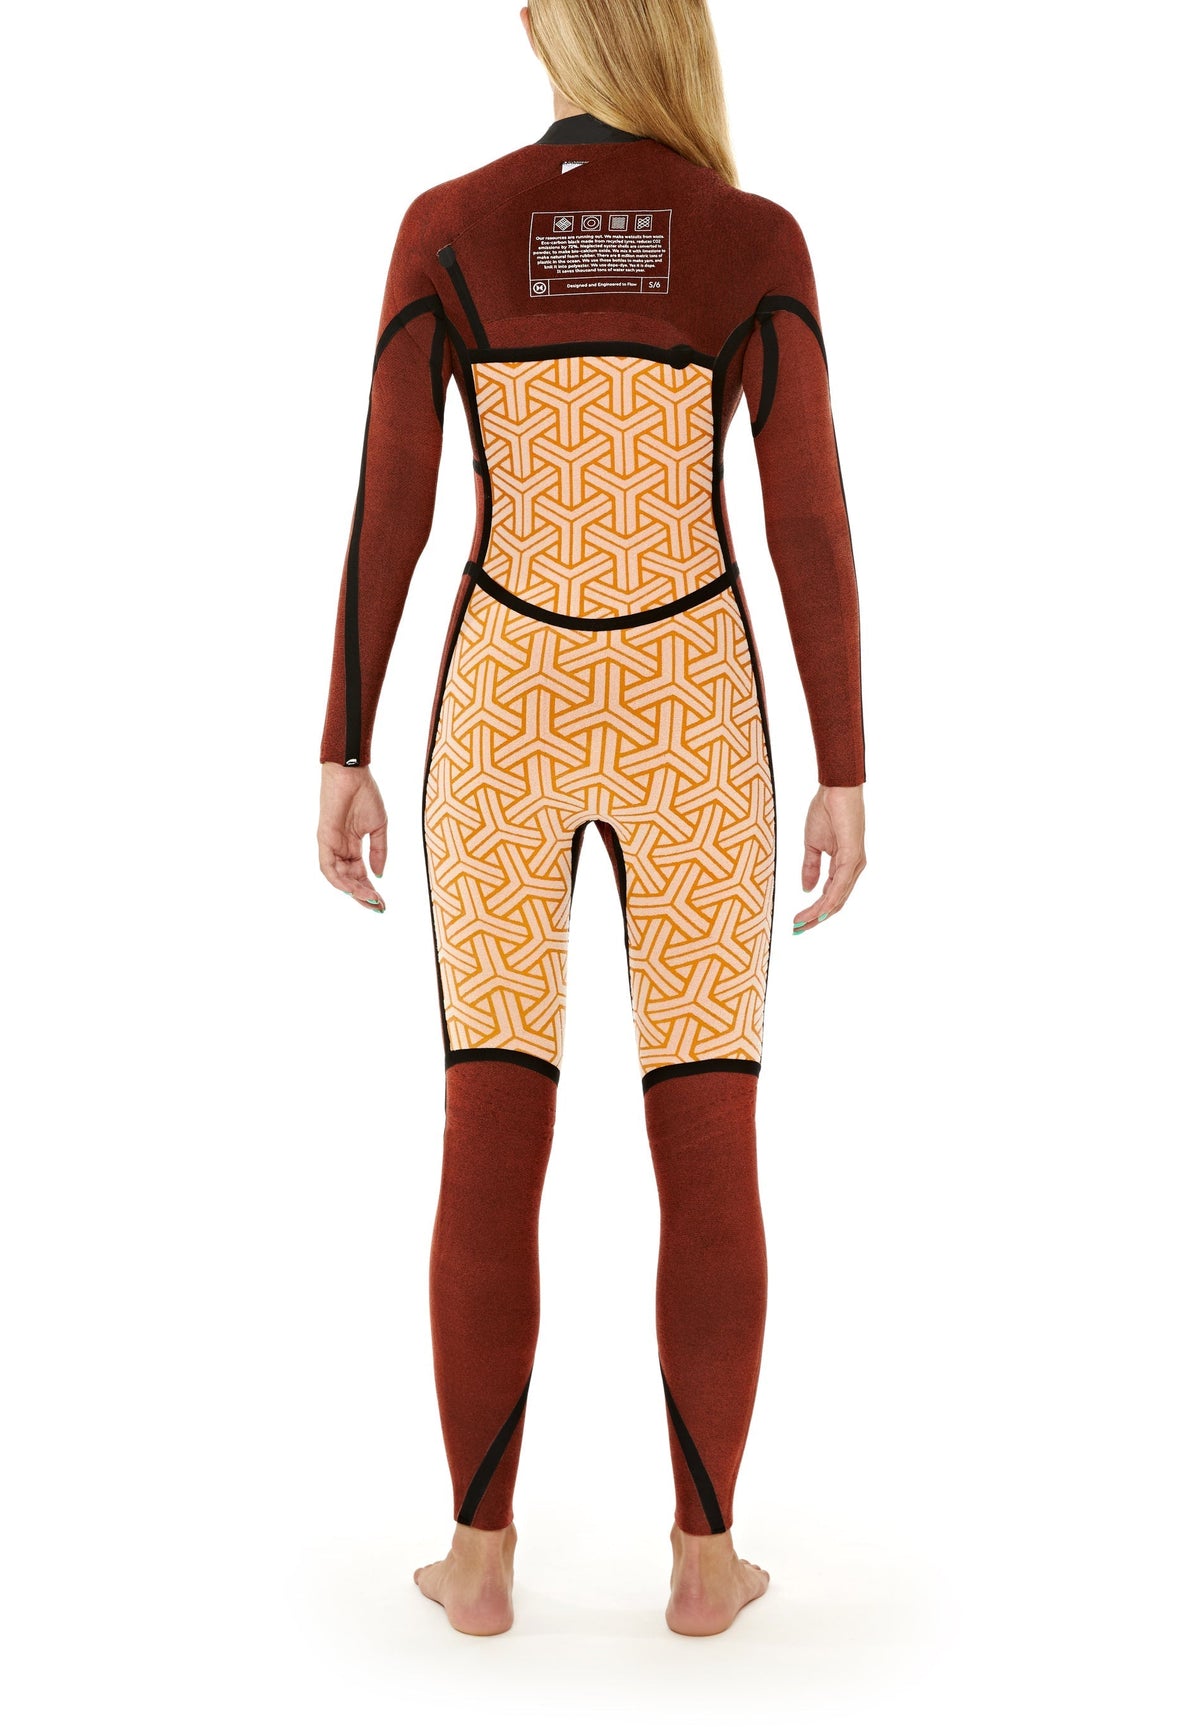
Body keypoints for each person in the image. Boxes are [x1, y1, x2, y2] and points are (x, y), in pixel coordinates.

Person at [316, 0, 866, 1637]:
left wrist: (344, 746)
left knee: (492, 1122)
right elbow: (810, 514)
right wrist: (845, 766)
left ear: (553, 30)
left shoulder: (452, 227)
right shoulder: (749, 239)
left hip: (503, 703)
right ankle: (706, 1566)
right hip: (696, 710)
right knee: (707, 1129)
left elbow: (395, 497)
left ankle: (478, 1562)